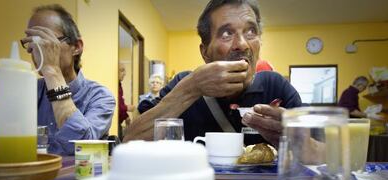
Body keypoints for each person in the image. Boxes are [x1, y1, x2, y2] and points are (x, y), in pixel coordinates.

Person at [125, 0, 301, 147]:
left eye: (251, 31)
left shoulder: (276, 87)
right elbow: (130, 143)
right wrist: (191, 89)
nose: (242, 44)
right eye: (226, 33)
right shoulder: (184, 83)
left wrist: (298, 142)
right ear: (205, 52)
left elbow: (321, 152)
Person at [0, 4, 115, 155]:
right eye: (31, 43)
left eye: (45, 42)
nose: (35, 51)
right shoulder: (26, 90)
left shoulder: (100, 97)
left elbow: (77, 146)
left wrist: (52, 71)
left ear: (76, 47)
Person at [118, 63, 135, 138]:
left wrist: (126, 116)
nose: (124, 74)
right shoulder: (114, 86)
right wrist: (127, 108)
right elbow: (117, 104)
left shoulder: (119, 85)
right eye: (122, 70)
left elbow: (121, 101)